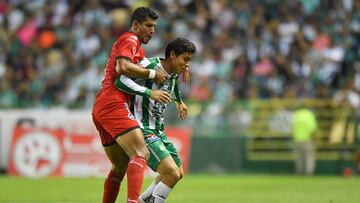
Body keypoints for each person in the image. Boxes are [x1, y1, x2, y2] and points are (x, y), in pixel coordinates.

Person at [92, 7, 172, 203]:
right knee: (140, 152)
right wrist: (152, 75)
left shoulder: (136, 47)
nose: (152, 30)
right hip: (113, 103)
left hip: (102, 106)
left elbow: (145, 65)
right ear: (136, 25)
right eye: (148, 25)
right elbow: (123, 67)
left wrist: (177, 69)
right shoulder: (130, 39)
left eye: (154, 26)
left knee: (118, 169)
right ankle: (134, 201)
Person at [114, 38, 196, 203]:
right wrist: (149, 93)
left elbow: (172, 82)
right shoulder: (149, 65)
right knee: (171, 173)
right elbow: (120, 81)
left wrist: (179, 101)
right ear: (172, 55)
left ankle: (143, 201)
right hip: (142, 129)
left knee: (178, 173)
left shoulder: (173, 71)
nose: (187, 65)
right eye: (185, 59)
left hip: (158, 129)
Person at [292, 102, 317, 175]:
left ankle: (300, 172)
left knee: (299, 157)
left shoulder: (296, 114)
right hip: (307, 138)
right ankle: (308, 172)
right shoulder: (309, 114)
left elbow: (292, 126)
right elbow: (312, 127)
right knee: (309, 156)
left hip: (297, 138)